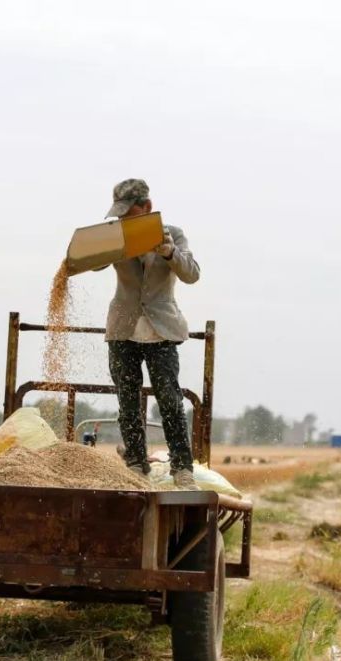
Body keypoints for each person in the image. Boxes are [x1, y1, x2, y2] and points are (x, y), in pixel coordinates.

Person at [100, 178, 201, 490]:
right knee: (127, 400)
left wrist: (169, 251)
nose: (124, 219)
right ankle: (135, 464)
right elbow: (91, 263)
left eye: (129, 213)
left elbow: (192, 274)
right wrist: (102, 245)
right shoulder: (116, 236)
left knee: (170, 399)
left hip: (161, 329)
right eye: (120, 215)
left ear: (147, 208)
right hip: (123, 328)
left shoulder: (173, 234)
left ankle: (182, 468)